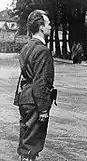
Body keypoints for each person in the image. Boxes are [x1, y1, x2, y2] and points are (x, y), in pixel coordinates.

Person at [15, 10, 56, 161]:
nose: (50, 27)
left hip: (25, 98)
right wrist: (43, 109)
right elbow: (40, 82)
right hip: (35, 101)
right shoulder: (43, 50)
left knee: (26, 140)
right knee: (32, 144)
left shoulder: (26, 48)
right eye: (48, 24)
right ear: (41, 28)